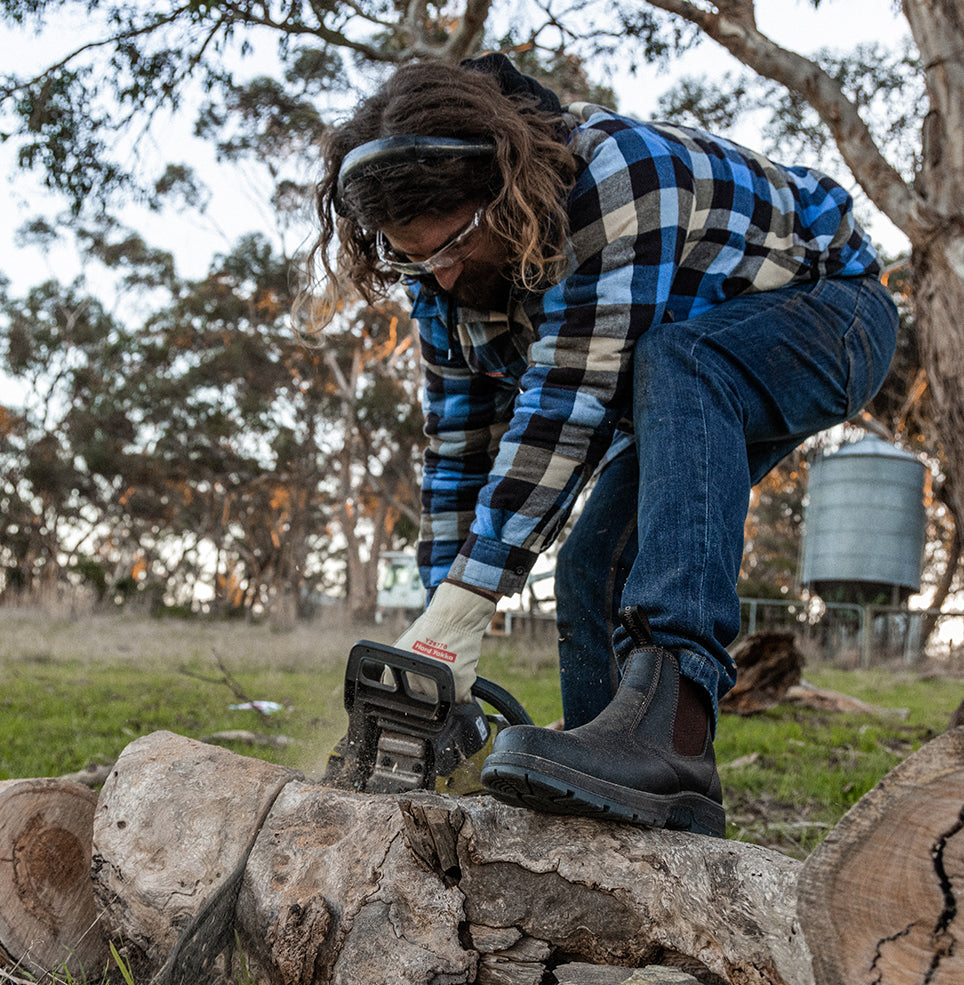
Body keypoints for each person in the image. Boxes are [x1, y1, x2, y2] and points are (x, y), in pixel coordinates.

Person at [304, 54, 898, 837]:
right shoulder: (439, 279)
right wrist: (435, 629)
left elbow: (565, 403)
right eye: (414, 256)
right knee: (593, 562)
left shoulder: (614, 179)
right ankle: (619, 794)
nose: (439, 276)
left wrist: (475, 594)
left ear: (506, 188)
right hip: (682, 378)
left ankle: (673, 733)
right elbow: (457, 448)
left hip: (831, 313)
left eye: (453, 245)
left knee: (681, 360)